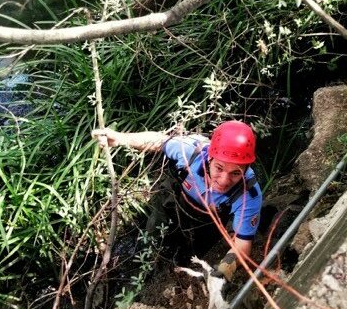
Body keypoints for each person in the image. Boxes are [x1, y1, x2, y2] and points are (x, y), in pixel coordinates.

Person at [92, 121, 262, 295]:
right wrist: (120, 138)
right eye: (219, 168)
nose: (224, 180)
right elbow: (159, 141)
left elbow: (242, 246)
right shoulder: (191, 151)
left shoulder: (248, 194)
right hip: (171, 204)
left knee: (191, 255)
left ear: (247, 168)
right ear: (209, 157)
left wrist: (221, 272)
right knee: (151, 238)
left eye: (236, 173)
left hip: (205, 225)